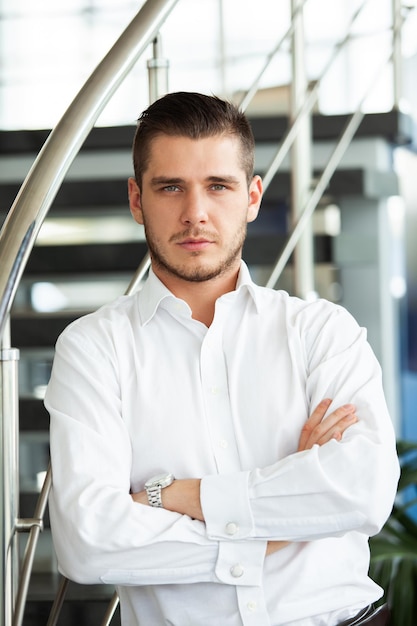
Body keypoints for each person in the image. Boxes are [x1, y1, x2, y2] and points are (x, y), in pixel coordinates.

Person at [45, 91, 399, 626]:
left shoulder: (322, 332)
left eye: (218, 186)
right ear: (137, 199)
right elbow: (88, 541)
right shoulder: (94, 348)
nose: (195, 213)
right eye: (170, 187)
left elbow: (363, 492)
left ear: (252, 197)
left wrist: (175, 497)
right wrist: (276, 524)